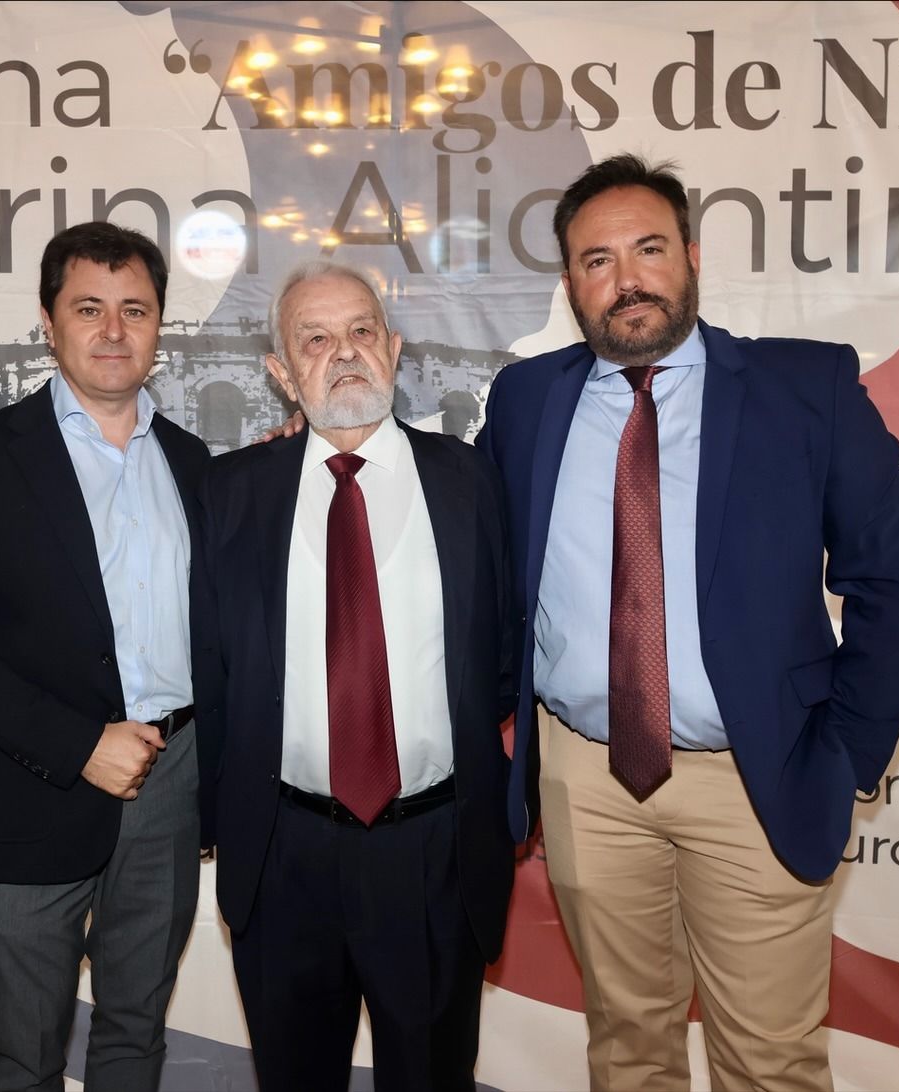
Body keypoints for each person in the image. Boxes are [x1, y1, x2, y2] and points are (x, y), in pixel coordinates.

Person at [477, 153, 899, 1089]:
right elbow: (471, 545)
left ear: (690, 256)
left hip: (757, 776)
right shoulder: (526, 402)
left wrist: (845, 755)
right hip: (587, 780)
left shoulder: (804, 389)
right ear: (570, 284)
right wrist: (315, 456)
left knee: (768, 1061)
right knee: (628, 1044)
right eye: (597, 260)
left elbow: (894, 581)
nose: (627, 278)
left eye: (649, 249)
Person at [0, 222, 209, 1092]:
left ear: (157, 326)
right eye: (89, 308)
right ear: (48, 321)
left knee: (135, 1030)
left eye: (135, 310)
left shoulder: (193, 463)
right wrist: (77, 745)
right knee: (25, 1048)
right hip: (39, 782)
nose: (113, 330)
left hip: (174, 778)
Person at [194, 260, 517, 1091]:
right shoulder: (229, 495)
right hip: (283, 852)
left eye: (362, 331)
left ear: (395, 348)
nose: (343, 353)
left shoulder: (475, 483)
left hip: (434, 852)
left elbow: (508, 655)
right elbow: (211, 672)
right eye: (315, 338)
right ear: (280, 373)